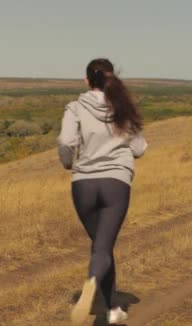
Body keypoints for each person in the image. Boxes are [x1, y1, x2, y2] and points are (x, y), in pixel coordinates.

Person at [57, 58, 147, 324]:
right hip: (115, 183)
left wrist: (67, 162)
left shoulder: (74, 107)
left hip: (83, 184)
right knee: (103, 249)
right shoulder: (122, 108)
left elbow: (65, 141)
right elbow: (140, 148)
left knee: (101, 247)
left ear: (86, 80)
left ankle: (111, 311)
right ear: (111, 78)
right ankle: (93, 283)